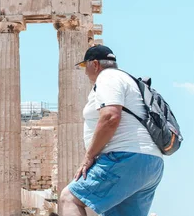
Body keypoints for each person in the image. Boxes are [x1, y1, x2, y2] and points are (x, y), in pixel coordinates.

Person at [59, 45, 164, 216]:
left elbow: (110, 117)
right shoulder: (128, 80)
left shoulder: (107, 78)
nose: (85, 73)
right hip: (151, 162)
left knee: (69, 198)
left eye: (85, 67)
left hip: (125, 157)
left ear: (95, 64)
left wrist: (89, 156)